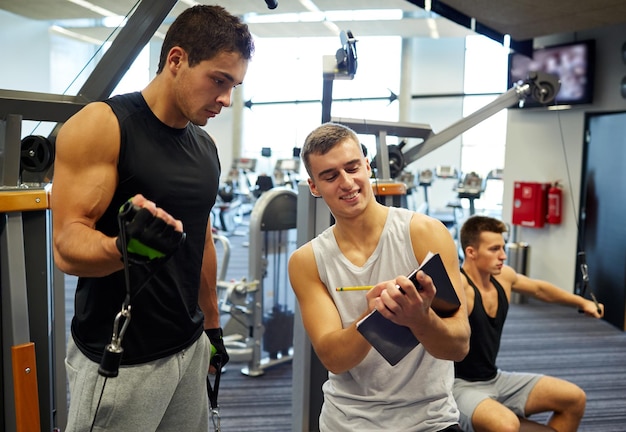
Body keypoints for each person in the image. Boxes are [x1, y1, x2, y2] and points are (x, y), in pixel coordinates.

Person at [51, 5, 254, 431]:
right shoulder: (103, 125)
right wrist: (122, 248)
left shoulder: (205, 147)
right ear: (176, 60)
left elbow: (203, 239)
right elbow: (67, 245)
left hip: (187, 346)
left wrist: (212, 328)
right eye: (218, 80)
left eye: (233, 85)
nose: (225, 99)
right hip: (122, 359)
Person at [288, 122, 471, 431]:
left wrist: (419, 318)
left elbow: (458, 346)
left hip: (429, 420)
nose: (346, 183)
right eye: (330, 176)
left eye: (352, 168)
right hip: (349, 422)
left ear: (368, 167)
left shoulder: (423, 233)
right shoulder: (307, 261)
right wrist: (372, 317)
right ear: (315, 187)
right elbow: (334, 358)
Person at [454, 215, 605, 432]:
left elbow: (539, 290)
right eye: (494, 249)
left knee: (575, 398)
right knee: (506, 425)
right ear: (471, 252)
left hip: (495, 378)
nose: (503, 256)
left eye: (503, 248)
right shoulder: (460, 287)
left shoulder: (503, 277)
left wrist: (582, 302)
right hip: (459, 386)